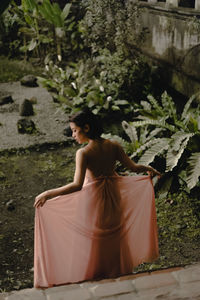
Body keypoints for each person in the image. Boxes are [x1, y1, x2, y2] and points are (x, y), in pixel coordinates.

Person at [34, 110, 161, 288]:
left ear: (86, 128)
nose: (73, 135)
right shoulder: (114, 146)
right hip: (114, 198)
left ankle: (97, 279)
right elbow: (133, 167)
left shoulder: (84, 153)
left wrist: (48, 193)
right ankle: (118, 275)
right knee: (115, 236)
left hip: (94, 201)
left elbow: (77, 185)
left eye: (75, 130)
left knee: (95, 239)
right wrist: (149, 168)